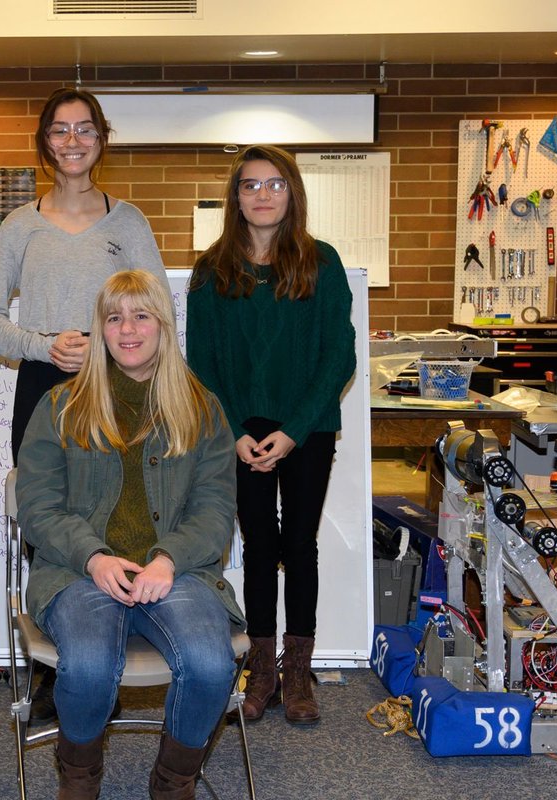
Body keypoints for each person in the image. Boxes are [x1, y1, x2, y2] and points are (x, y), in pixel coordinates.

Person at [0, 87, 170, 727]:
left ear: (101, 139)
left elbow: (160, 311)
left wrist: (134, 359)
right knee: (49, 525)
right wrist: (41, 346)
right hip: (46, 391)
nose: (73, 141)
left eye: (85, 129)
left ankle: (112, 657)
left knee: (122, 517)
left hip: (125, 393)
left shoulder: (129, 222)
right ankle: (54, 678)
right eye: (60, 130)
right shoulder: (21, 225)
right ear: (45, 142)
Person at [17, 270, 242, 800]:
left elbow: (215, 509)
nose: (128, 329)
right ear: (100, 329)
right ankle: (79, 775)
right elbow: (38, 507)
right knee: (91, 667)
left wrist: (167, 560)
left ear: (163, 325)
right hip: (79, 571)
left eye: (142, 315)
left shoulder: (202, 408)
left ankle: (173, 780)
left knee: (213, 666)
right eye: (114, 317)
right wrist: (94, 557)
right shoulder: (60, 407)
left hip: (177, 571)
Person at [185, 144, 356, 726]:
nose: (262, 195)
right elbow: (201, 363)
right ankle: (260, 669)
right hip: (238, 432)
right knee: (257, 546)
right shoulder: (212, 270)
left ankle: (298, 671)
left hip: (306, 427)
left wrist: (294, 430)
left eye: (275, 184)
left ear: (293, 193)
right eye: (251, 185)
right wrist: (232, 431)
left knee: (299, 545)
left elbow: (339, 357)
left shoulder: (321, 263)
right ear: (235, 197)